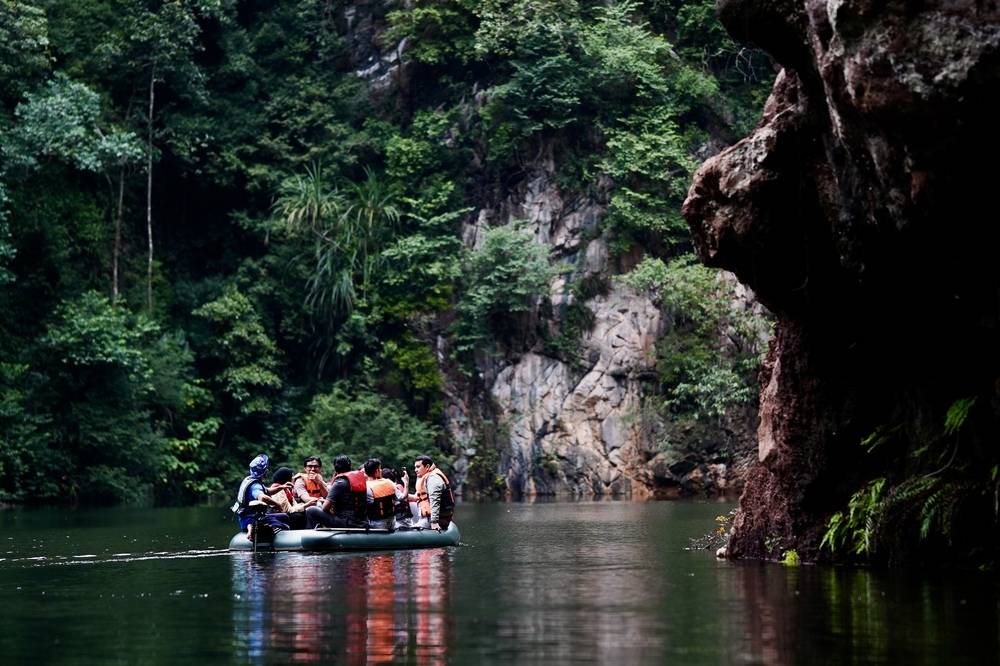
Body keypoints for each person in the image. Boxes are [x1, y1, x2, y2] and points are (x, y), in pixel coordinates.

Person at [231, 454, 288, 539]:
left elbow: (267, 491)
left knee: (284, 516)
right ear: (265, 472)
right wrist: (277, 505)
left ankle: (252, 529)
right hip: (254, 519)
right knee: (284, 523)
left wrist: (281, 487)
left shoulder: (249, 480)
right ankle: (261, 530)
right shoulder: (255, 486)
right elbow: (262, 497)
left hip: (245, 519)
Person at [305, 454, 368, 529]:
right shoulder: (360, 480)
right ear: (350, 466)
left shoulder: (340, 482)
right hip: (361, 522)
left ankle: (312, 537)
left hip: (345, 522)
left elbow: (325, 508)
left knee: (311, 510)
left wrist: (324, 502)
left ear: (335, 468)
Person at [414, 455, 455, 530]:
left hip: (437, 520)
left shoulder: (433, 478)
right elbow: (418, 497)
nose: (415, 470)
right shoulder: (428, 476)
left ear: (427, 467)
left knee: (407, 529)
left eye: (418, 467)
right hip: (430, 518)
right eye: (415, 467)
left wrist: (434, 522)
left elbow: (434, 500)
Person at [364, 459, 406, 530]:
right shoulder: (389, 482)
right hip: (392, 522)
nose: (381, 470)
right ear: (377, 471)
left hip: (376, 524)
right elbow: (401, 497)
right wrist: (406, 484)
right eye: (380, 469)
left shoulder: (366, 486)